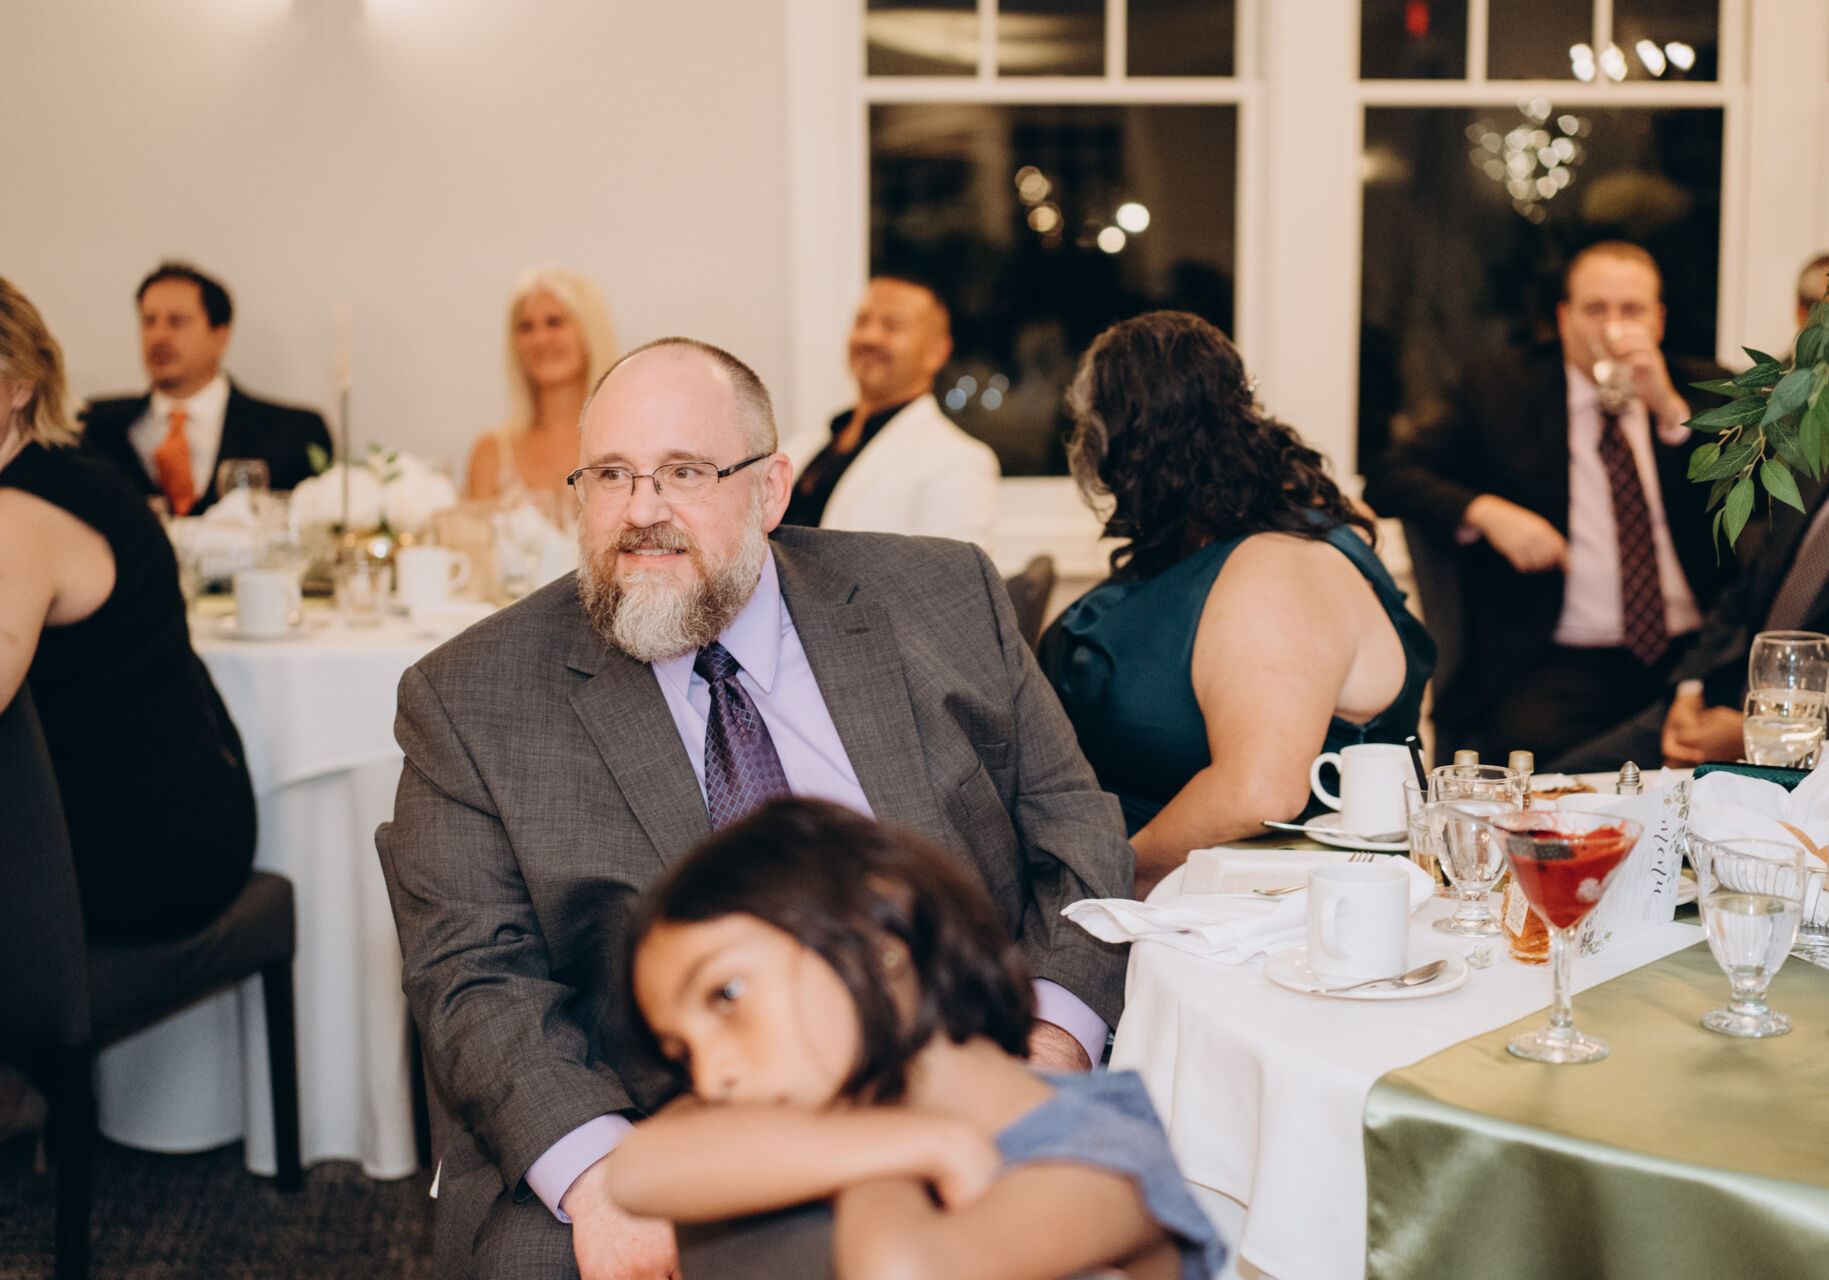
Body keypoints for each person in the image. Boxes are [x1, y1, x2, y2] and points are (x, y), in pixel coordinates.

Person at [376, 336, 1132, 1280]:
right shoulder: (470, 696)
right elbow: (472, 975)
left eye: (683, 472)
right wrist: (601, 1174)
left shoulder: (942, 596)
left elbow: (1075, 826)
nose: (641, 511)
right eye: (611, 475)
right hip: (664, 1124)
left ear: (770, 491)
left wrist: (1048, 1047)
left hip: (962, 1073)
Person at [608, 798, 1225, 1280]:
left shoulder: (1102, 1162)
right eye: (683, 1052)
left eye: (727, 993)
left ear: (878, 934)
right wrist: (914, 1140)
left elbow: (904, 1270)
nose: (711, 1075)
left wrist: (891, 1141)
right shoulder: (819, 1112)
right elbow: (636, 1170)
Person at [1039, 311, 1434, 895]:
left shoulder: (1279, 567)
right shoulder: (1222, 528)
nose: (1078, 445)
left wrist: (1102, 883)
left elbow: (1258, 792)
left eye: (1084, 423)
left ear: (1122, 440)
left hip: (1232, 907)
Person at [1364, 241, 1729, 764]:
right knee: (1529, 755)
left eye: (1631, 310)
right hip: (1559, 656)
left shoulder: (1708, 391)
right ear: (1563, 319)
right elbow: (1390, 475)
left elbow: (1765, 502)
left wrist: (1670, 411)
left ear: (1659, 321)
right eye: (1595, 309)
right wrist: (1487, 512)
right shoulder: (1501, 389)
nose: (1612, 328)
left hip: (1694, 655)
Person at [1555, 304, 1829, 771]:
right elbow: (1744, 596)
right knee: (1548, 789)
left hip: (1828, 756)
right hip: (1715, 705)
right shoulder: (1823, 454)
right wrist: (1689, 690)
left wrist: (1761, 735)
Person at [0, 276, 255, 943]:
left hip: (142, 860)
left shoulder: (19, 513)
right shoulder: (72, 465)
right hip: (192, 816)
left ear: (19, 384)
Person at [82, 262, 331, 514]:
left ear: (220, 336)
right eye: (149, 321)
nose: (159, 336)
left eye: (177, 321)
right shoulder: (91, 426)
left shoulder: (294, 433)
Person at [782, 276, 1000, 552]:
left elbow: (954, 578)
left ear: (936, 352)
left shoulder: (960, 461)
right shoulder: (805, 445)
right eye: (861, 321)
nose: (869, 337)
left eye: (892, 325)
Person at [466, 267, 620, 501]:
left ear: (590, 332)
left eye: (554, 322)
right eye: (526, 327)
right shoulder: (490, 455)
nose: (540, 339)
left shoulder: (629, 443)